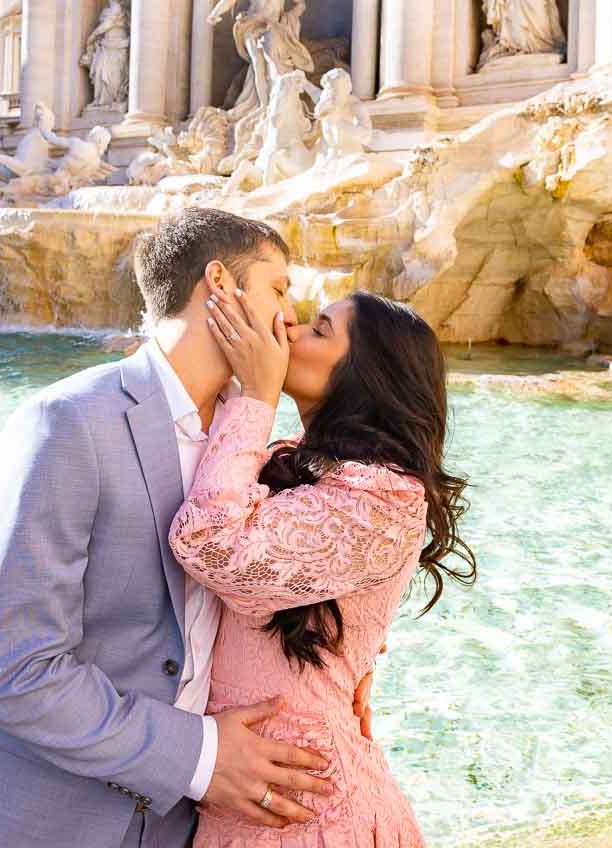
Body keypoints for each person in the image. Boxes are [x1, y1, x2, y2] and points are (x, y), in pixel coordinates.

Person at [0, 208, 375, 848]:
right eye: (278, 289)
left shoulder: (252, 441)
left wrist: (350, 660)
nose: (290, 318)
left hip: (179, 826)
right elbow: (11, 671)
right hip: (42, 818)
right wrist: (201, 759)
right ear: (220, 284)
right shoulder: (68, 422)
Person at [170, 287, 477, 845]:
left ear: (367, 375)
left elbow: (211, 543)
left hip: (308, 805)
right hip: (248, 783)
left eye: (318, 329)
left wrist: (257, 397)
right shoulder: (295, 458)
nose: (288, 329)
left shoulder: (384, 498)